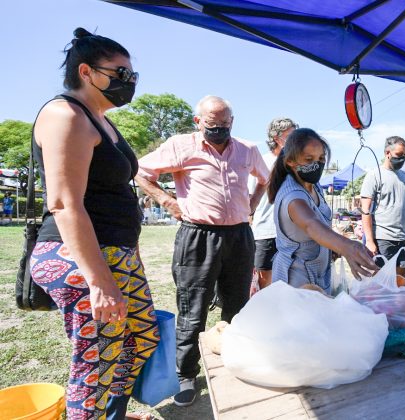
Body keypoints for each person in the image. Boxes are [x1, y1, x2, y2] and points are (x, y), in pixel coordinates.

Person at [29, 27, 158, 420]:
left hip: (114, 253)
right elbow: (65, 204)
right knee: (97, 362)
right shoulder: (64, 114)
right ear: (86, 71)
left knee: (140, 338)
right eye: (120, 73)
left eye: (132, 75)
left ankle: (111, 414)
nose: (129, 82)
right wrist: (99, 280)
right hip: (79, 255)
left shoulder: (101, 118)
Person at [135, 95, 269, 406]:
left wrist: (251, 203)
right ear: (199, 122)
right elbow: (141, 171)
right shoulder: (181, 146)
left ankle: (235, 360)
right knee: (193, 309)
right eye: (212, 125)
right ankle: (185, 374)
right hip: (198, 236)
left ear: (232, 122)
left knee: (238, 305)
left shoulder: (248, 150)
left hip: (239, 236)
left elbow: (265, 179)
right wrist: (168, 202)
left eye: (224, 124)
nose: (219, 130)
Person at [268, 128, 378, 291]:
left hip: (318, 273)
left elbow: (320, 225)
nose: (317, 164)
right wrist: (347, 246)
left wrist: (331, 247)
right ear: (290, 161)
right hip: (297, 279)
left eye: (321, 158)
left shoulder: (314, 186)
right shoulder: (293, 197)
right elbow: (311, 225)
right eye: (309, 159)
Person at [249, 117, 297, 289]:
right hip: (266, 231)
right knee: (265, 280)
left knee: (289, 278)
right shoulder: (261, 161)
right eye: (290, 135)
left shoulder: (295, 163)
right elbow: (249, 198)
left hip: (292, 233)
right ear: (277, 138)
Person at [360, 136, 405, 265]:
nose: (402, 158)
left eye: (404, 155)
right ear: (387, 153)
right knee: (383, 281)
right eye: (399, 154)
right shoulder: (374, 175)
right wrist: (370, 241)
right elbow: (365, 211)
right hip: (384, 240)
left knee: (403, 280)